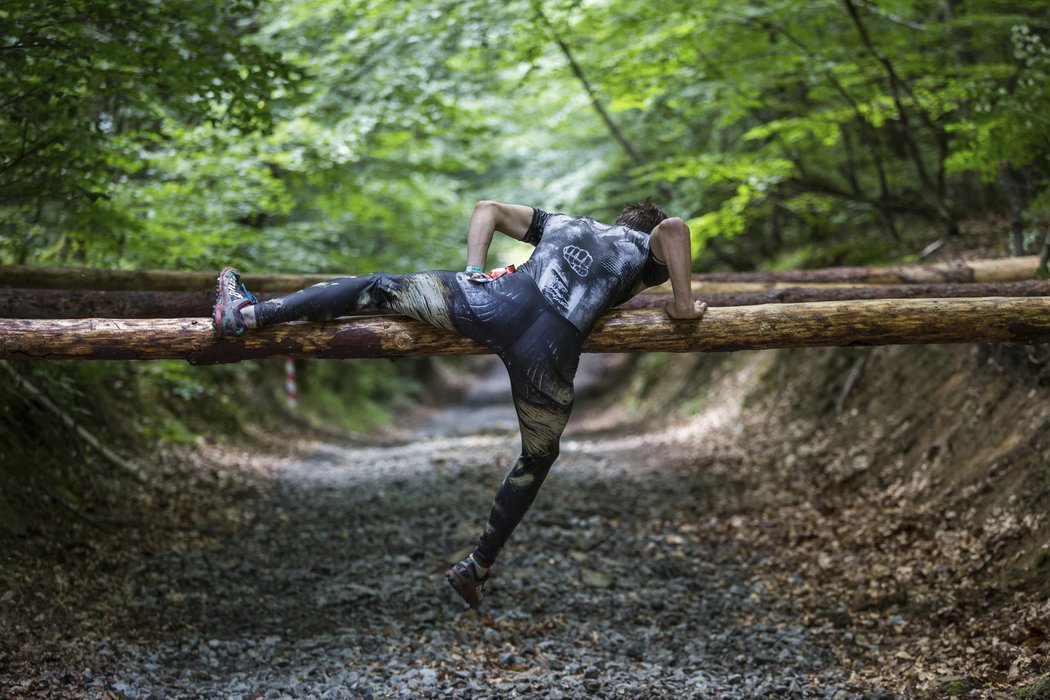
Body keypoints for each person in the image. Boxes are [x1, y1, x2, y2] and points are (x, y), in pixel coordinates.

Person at [212, 199, 707, 609]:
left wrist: (472, 271)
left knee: (379, 287)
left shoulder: (567, 223)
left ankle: (250, 314)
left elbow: (486, 207)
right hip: (550, 349)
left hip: (494, 301)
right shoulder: (643, 249)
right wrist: (682, 306)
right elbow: (676, 227)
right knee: (538, 455)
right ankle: (477, 565)